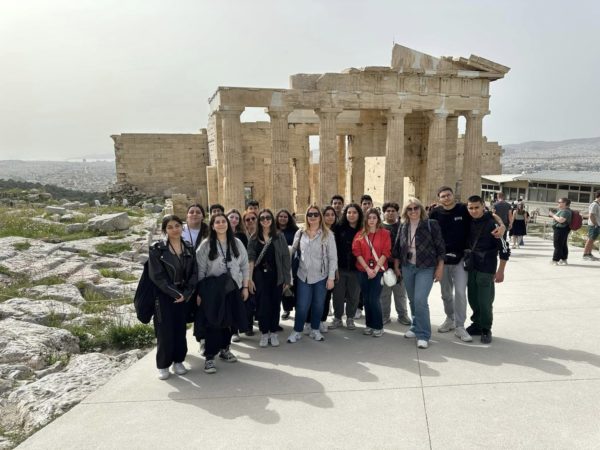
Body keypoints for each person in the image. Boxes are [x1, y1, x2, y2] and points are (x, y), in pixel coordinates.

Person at [429, 186, 506, 342]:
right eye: (443, 196)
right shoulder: (435, 213)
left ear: (453, 195)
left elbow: (489, 214)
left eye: (448, 195)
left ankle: (461, 326)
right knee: (447, 294)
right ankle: (451, 319)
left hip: (463, 260)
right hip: (443, 260)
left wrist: (502, 225)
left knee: (461, 293)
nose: (446, 198)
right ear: (439, 198)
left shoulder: (464, 209)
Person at [196, 213, 250, 374]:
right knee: (213, 323)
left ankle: (225, 349)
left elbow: (245, 266)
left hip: (232, 289)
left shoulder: (237, 243)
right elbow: (200, 271)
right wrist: (200, 293)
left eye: (223, 221)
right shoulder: (206, 245)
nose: (221, 224)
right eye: (217, 222)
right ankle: (209, 357)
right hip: (212, 291)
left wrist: (245, 287)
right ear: (212, 226)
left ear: (228, 224)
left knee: (229, 322)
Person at [148, 215, 198, 380]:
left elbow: (194, 273)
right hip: (164, 296)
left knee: (180, 329)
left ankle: (178, 361)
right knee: (164, 331)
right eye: (170, 227)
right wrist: (175, 293)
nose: (174, 229)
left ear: (182, 227)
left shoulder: (189, 247)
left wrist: (186, 293)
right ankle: (163, 365)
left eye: (177, 225)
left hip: (183, 295)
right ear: (165, 230)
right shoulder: (157, 249)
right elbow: (157, 276)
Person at [393, 198, 445, 349]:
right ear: (405, 211)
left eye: (416, 208)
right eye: (409, 209)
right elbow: (397, 247)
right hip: (407, 266)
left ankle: (423, 334)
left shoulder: (431, 224)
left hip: (426, 267)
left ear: (421, 209)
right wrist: (396, 266)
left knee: (420, 300)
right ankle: (415, 326)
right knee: (412, 300)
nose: (413, 211)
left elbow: (441, 247)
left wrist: (440, 268)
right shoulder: (403, 225)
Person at [288, 205, 337, 343]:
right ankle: (297, 330)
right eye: (310, 214)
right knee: (302, 305)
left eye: (316, 214)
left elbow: (333, 258)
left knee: (318, 304)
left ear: (320, 216)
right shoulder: (300, 233)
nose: (313, 217)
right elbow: (293, 252)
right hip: (303, 275)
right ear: (306, 216)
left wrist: (331, 278)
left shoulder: (328, 234)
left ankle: (315, 329)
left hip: (321, 276)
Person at [465, 195, 510, 344]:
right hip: (471, 266)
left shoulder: (492, 224)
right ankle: (477, 324)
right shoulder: (468, 220)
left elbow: (504, 249)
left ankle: (485, 328)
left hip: (486, 267)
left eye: (477, 207)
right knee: (473, 298)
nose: (474, 211)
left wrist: (500, 271)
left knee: (485, 301)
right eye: (470, 208)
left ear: (483, 206)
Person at [247, 209, 291, 348]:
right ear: (259, 221)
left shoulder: (279, 236)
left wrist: (287, 279)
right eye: (262, 218)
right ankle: (264, 333)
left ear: (272, 220)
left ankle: (273, 332)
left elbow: (285, 257)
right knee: (262, 306)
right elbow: (250, 259)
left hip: (276, 275)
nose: (265, 220)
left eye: (268, 217)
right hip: (260, 276)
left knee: (275, 305)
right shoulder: (254, 238)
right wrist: (249, 279)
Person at [352, 208, 391, 337]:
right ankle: (369, 325)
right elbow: (357, 252)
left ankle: (378, 326)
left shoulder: (385, 233)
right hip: (363, 271)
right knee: (367, 299)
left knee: (374, 299)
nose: (372, 220)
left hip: (378, 271)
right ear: (366, 220)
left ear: (378, 219)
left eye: (374, 218)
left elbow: (386, 252)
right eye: (369, 218)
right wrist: (367, 269)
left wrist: (375, 269)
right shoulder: (360, 234)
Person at [329, 203, 363, 330]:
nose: (351, 215)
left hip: (356, 268)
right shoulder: (338, 228)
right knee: (338, 295)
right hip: (340, 268)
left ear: (359, 214)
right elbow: (333, 249)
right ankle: (338, 318)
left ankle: (350, 318)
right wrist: (334, 268)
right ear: (345, 214)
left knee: (353, 295)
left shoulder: (362, 229)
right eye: (349, 212)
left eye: (354, 212)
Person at [380, 202, 411, 326]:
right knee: (384, 293)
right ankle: (384, 316)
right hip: (384, 265)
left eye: (393, 211)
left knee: (400, 293)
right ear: (384, 213)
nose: (390, 213)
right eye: (388, 211)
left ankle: (402, 315)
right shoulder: (380, 227)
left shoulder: (403, 226)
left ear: (397, 213)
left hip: (400, 265)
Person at [275, 208, 299, 320]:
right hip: (278, 263)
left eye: (285, 217)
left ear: (289, 218)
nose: (283, 218)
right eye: (281, 216)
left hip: (292, 262)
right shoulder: (273, 230)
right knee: (282, 287)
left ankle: (296, 309)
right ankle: (286, 309)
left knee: (293, 286)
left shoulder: (295, 230)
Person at [550, 198, 572, 266]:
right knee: (563, 244)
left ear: (565, 203)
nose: (558, 203)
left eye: (560, 202)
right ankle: (563, 259)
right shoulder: (566, 210)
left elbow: (561, 220)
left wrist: (553, 215)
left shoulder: (565, 211)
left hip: (560, 229)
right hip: (563, 229)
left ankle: (555, 260)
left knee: (558, 245)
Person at [583, 191, 600, 261]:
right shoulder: (594, 204)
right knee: (590, 239)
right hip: (593, 225)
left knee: (592, 240)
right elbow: (591, 215)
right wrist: (595, 224)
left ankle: (589, 254)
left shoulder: (597, 204)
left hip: (596, 225)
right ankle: (585, 254)